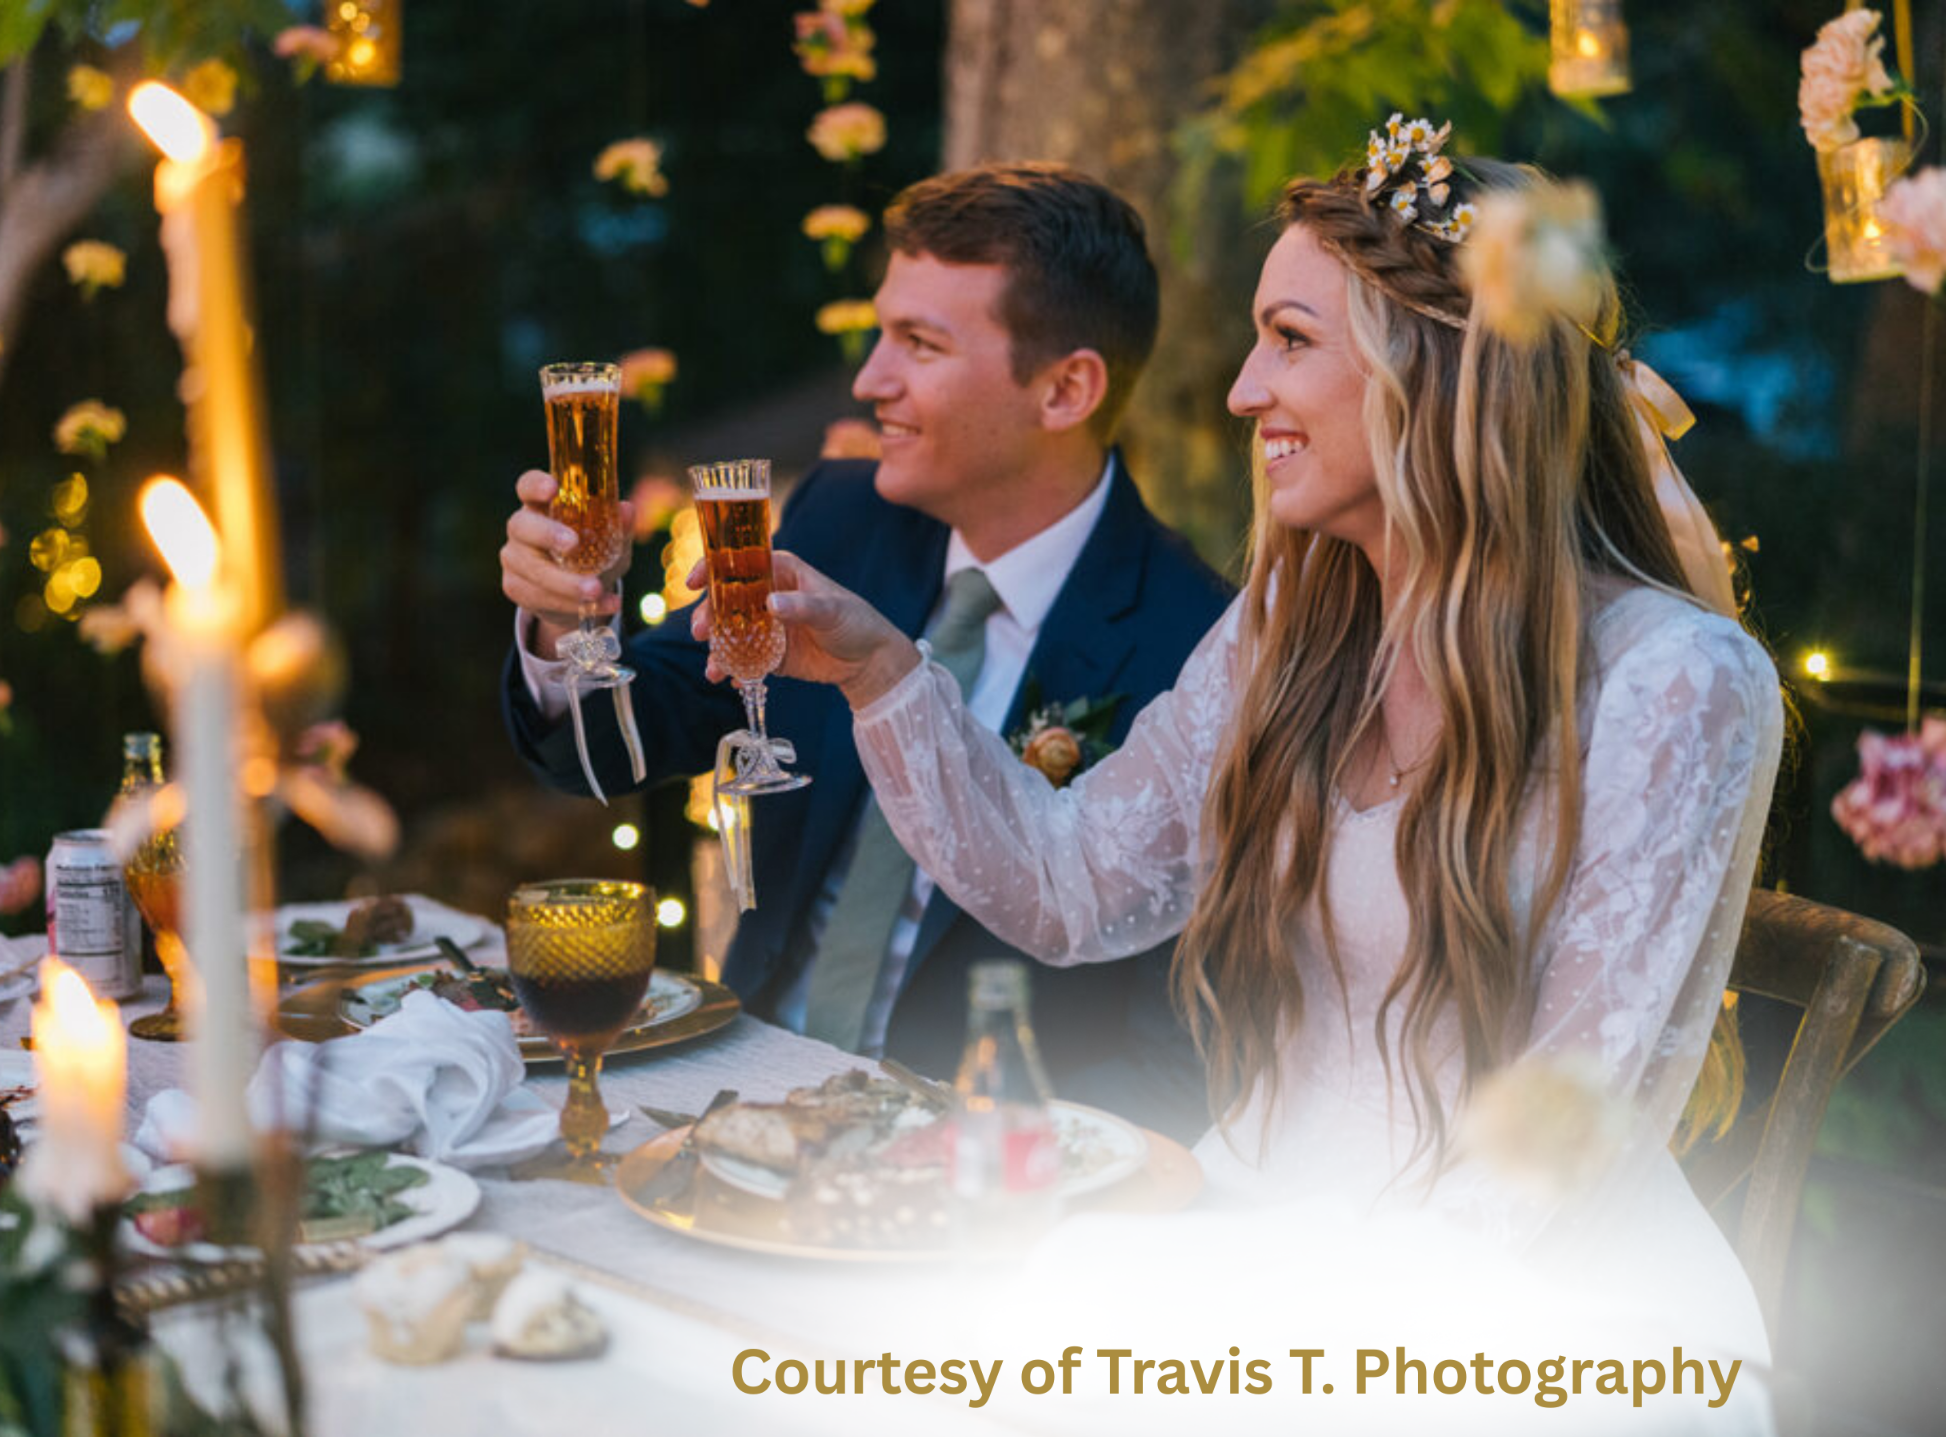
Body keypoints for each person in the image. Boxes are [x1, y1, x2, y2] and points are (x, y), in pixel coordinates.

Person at [736, 122, 1782, 1355]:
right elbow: (1076, 887)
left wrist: (1280, 1339)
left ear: (1433, 372)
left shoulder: (1679, 682)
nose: (1242, 390)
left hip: (1521, 1314)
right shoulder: (1295, 620)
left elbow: (1563, 1149)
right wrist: (880, 670)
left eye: (1289, 340)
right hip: (1252, 1226)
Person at [500, 163, 1234, 1138]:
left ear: (1066, 389)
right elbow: (609, 746)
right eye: (882, 332)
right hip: (735, 1096)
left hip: (965, 1167)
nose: (868, 381)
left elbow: (1176, 1058)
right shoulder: (844, 519)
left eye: (918, 345)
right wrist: (565, 624)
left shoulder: (1195, 645)